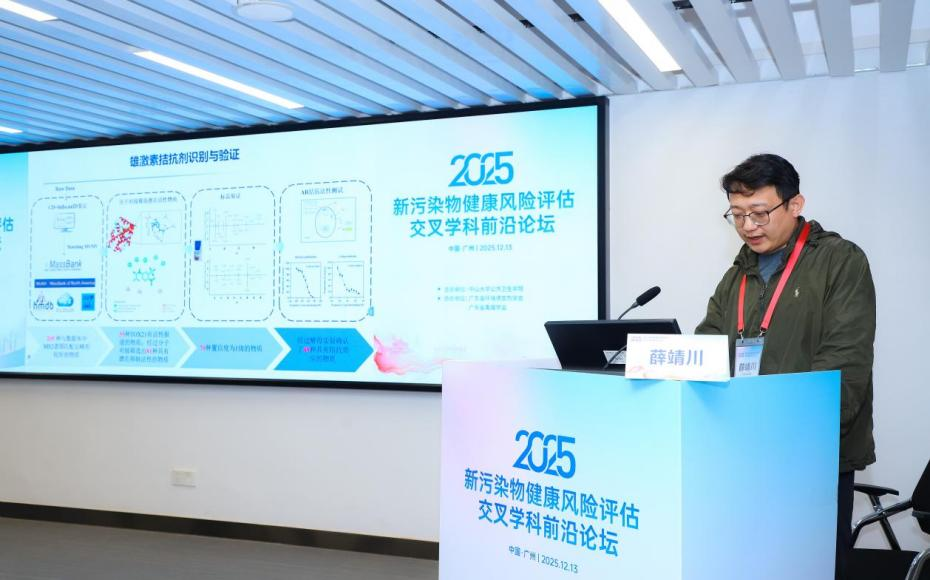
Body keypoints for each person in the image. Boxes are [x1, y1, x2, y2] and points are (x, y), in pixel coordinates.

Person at [695, 153, 875, 580]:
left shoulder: (840, 261)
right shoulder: (737, 274)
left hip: (810, 456)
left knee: (808, 565)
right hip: (740, 449)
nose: (748, 226)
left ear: (795, 205)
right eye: (737, 214)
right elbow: (708, 344)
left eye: (759, 212)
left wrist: (797, 437)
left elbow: (844, 363)